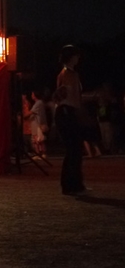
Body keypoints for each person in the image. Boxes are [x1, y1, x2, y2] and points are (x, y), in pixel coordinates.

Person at [54, 45, 87, 196]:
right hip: (67, 112)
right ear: (71, 57)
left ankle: (74, 183)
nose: (78, 58)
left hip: (67, 111)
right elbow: (65, 95)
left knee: (75, 149)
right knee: (74, 149)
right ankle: (70, 184)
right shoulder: (68, 74)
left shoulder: (68, 73)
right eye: (76, 55)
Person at [29, 91, 48, 158]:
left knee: (39, 139)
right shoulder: (38, 103)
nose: (31, 95)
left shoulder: (38, 103)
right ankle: (38, 153)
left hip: (38, 124)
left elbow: (31, 112)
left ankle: (42, 153)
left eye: (32, 94)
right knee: (36, 139)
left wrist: (24, 115)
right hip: (36, 124)